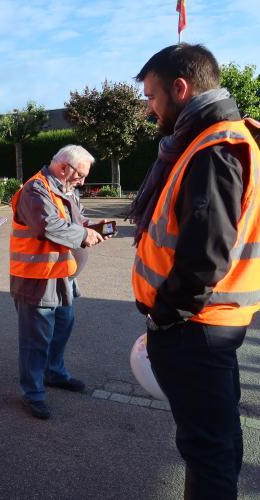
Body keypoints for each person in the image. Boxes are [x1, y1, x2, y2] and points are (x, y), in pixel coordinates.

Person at [130, 44, 260, 499]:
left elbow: (205, 255)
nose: (149, 109)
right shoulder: (221, 138)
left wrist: (167, 313)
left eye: (152, 96)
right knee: (217, 447)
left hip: (195, 327)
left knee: (208, 454)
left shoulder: (213, 148)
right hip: (209, 324)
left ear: (180, 89)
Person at [9, 145, 105, 420]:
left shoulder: (66, 189)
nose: (82, 182)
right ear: (64, 167)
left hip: (62, 275)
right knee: (35, 340)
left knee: (63, 325)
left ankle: (54, 372)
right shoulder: (35, 190)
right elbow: (47, 227)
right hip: (36, 279)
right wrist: (83, 235)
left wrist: (92, 228)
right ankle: (33, 393)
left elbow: (77, 220)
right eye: (81, 175)